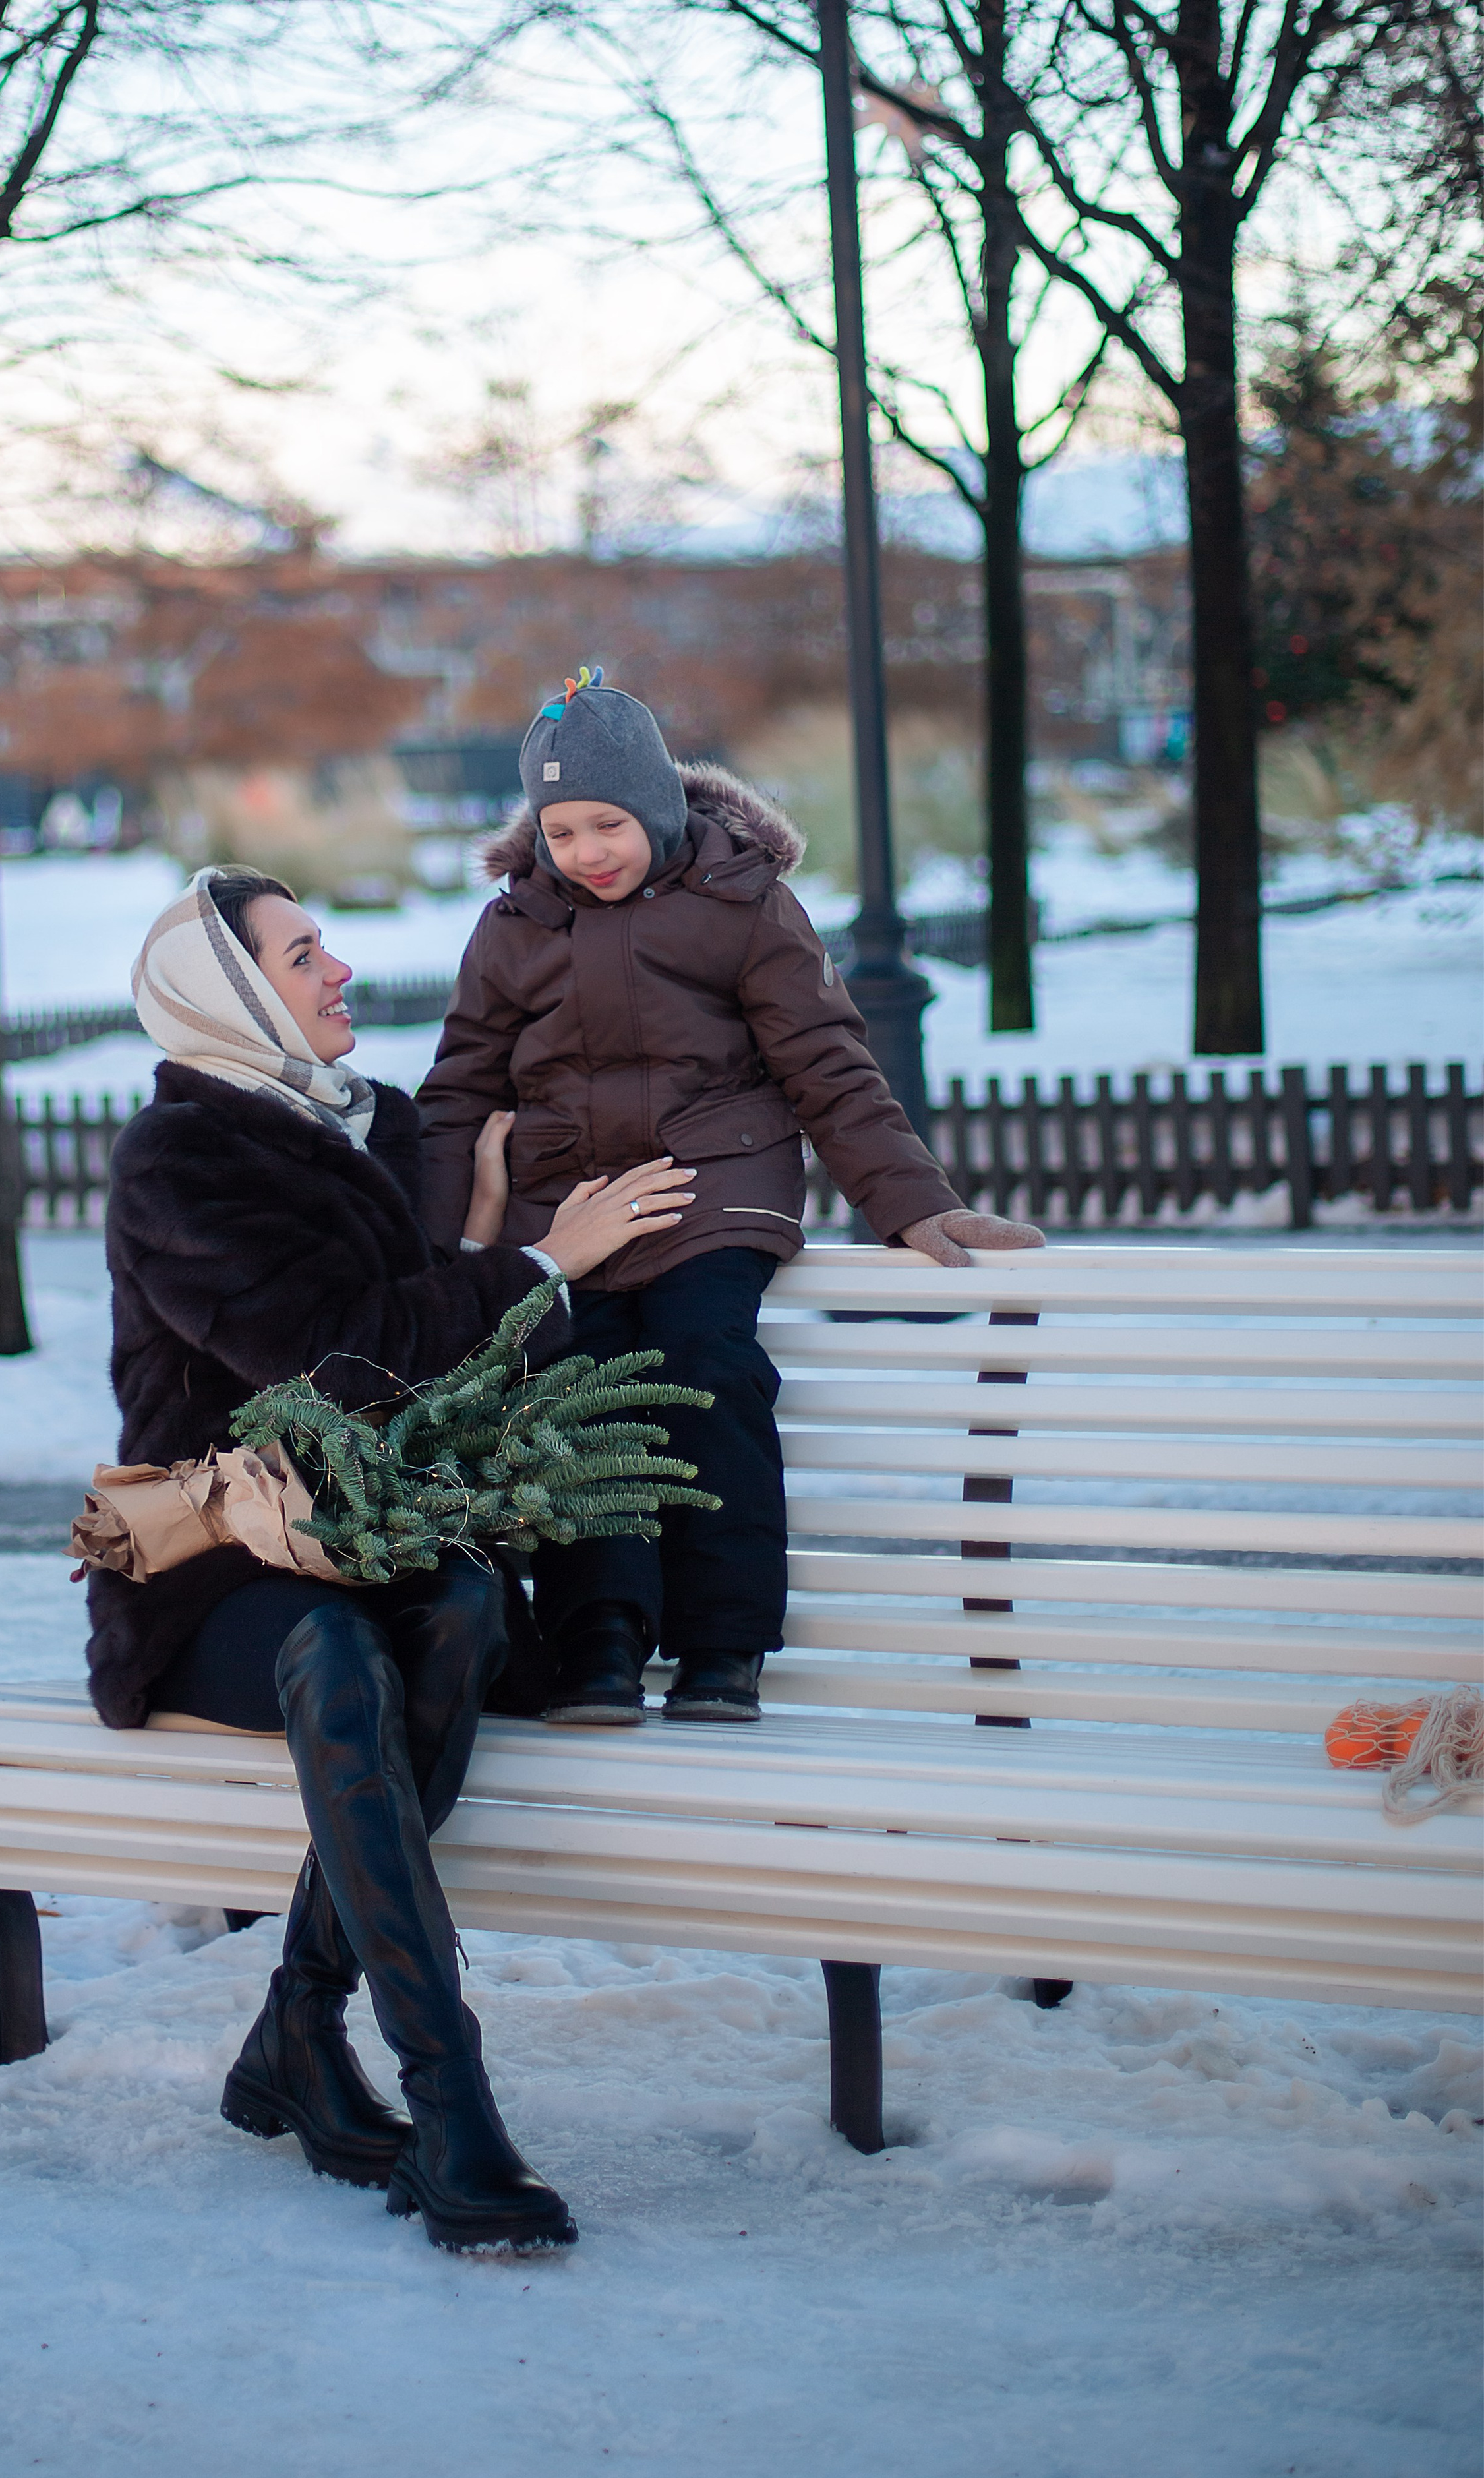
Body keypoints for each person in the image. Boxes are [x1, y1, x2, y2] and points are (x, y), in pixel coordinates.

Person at [89, 863, 690, 2252]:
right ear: (232, 994)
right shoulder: (181, 1159)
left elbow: (425, 1350)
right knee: (339, 1655)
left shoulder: (376, 1128)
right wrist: (540, 1268)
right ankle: (454, 2107)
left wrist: (471, 1236)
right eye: (303, 958)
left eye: (326, 950)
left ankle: (298, 2030)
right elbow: (334, 1357)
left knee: (464, 1609)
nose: (338, 973)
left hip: (373, 1537)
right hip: (221, 1569)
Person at [416, 671, 1044, 1727]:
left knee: (709, 1370)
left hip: (714, 1190)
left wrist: (911, 1203)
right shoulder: (513, 927)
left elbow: (827, 1066)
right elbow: (457, 1092)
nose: (587, 853)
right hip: (572, 1211)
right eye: (562, 832)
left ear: (657, 810)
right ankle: (601, 1640)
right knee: (579, 1392)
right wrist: (423, 1245)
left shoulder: (743, 903)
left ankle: (724, 1639)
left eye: (607, 824)